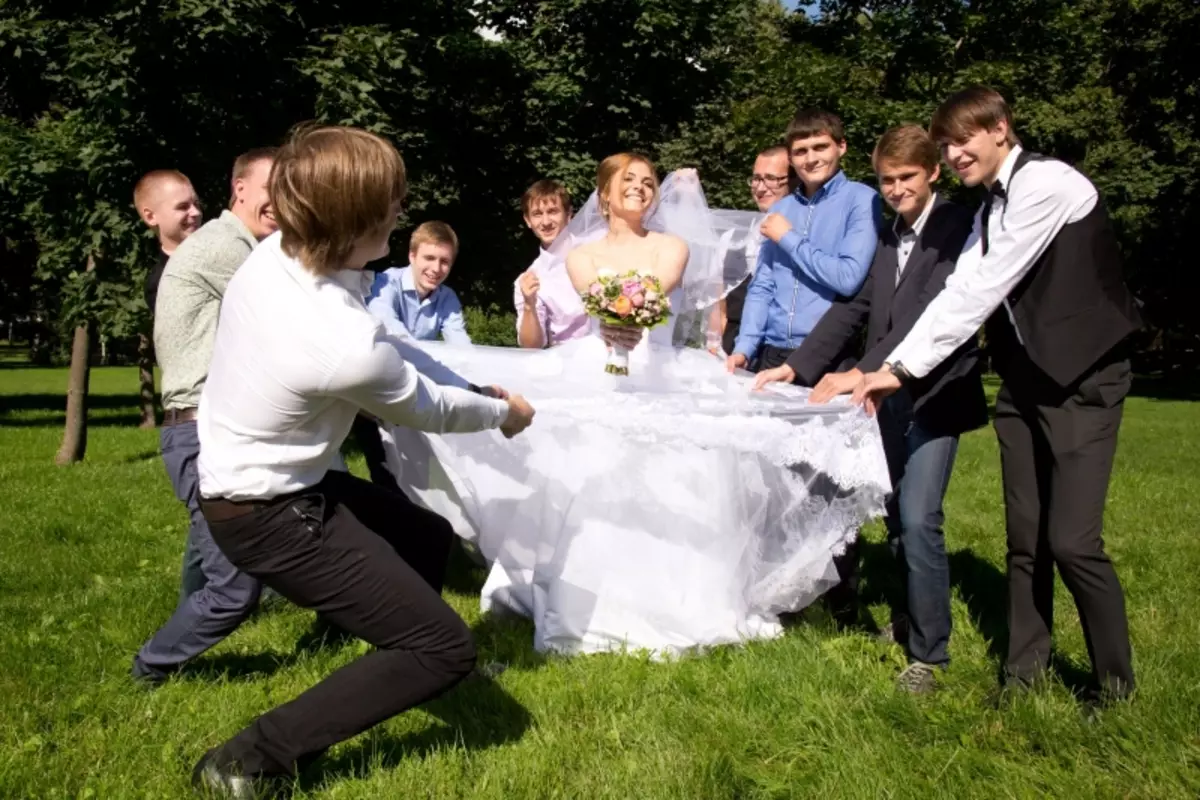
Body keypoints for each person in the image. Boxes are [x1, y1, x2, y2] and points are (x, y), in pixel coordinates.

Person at [381, 153, 892, 658]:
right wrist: (612, 315)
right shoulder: (579, 254)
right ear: (604, 193)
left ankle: (684, 600)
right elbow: (593, 293)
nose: (641, 188)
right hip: (597, 368)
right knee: (592, 474)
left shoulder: (672, 246)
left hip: (658, 370)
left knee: (679, 476)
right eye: (629, 181)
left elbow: (655, 286)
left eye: (649, 182)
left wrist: (627, 312)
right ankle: (585, 599)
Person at [189, 125, 535, 797]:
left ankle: (393, 655)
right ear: (353, 223)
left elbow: (398, 359)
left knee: (426, 536)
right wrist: (504, 413)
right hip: (266, 510)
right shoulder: (336, 339)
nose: (401, 212)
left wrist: (470, 388)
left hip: (279, 481)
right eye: (391, 203)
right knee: (445, 648)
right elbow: (423, 409)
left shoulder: (278, 256)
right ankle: (246, 759)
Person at [852, 87, 1143, 706]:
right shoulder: (988, 209)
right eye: (948, 144)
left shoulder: (1047, 184)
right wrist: (895, 365)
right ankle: (1023, 675)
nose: (955, 153)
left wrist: (900, 368)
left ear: (1001, 129)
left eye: (965, 139)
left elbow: (987, 284)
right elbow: (956, 292)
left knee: (1072, 543)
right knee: (1026, 539)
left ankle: (1114, 688)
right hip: (1024, 383)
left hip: (1084, 379)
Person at [755, 125, 987, 693]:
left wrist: (862, 370)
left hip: (935, 395)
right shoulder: (888, 234)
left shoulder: (958, 227)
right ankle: (909, 621)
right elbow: (855, 305)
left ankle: (929, 658)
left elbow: (928, 317)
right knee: (893, 519)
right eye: (887, 180)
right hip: (881, 398)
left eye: (907, 178)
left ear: (933, 173)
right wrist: (798, 365)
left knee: (918, 518)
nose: (896, 189)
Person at [131, 147, 278, 685]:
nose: (284, 202)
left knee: (306, 522)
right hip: (202, 433)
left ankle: (340, 617)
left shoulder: (232, 244)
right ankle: (150, 667)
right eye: (273, 187)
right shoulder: (226, 248)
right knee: (237, 588)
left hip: (212, 429)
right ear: (240, 188)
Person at [727, 108, 882, 374]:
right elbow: (762, 286)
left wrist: (788, 238)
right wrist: (744, 347)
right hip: (770, 353)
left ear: (841, 147)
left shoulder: (862, 200)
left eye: (820, 147)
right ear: (791, 157)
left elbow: (848, 278)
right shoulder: (781, 210)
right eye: (800, 151)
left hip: (827, 355)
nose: (811, 159)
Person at [714, 145, 791, 356]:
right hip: (732, 348)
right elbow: (720, 306)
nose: (760, 188)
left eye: (771, 178)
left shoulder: (803, 235)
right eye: (756, 179)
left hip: (782, 350)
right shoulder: (731, 238)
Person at [366, 221, 470, 344]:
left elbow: (460, 344)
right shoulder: (387, 282)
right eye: (429, 258)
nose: (436, 268)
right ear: (412, 256)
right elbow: (387, 325)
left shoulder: (447, 298)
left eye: (444, 261)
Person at [514, 179, 590, 348]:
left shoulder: (594, 249)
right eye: (537, 214)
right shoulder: (530, 278)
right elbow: (531, 346)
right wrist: (529, 305)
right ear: (528, 220)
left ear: (569, 214)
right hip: (568, 364)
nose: (546, 222)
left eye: (553, 211)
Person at [133, 169, 202, 313]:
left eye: (196, 204)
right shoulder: (161, 283)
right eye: (183, 207)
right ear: (151, 217)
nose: (196, 212)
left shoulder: (224, 250)